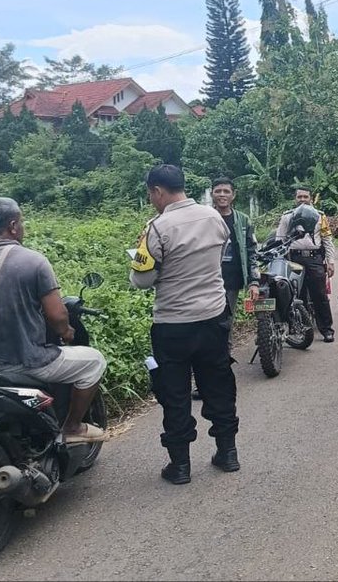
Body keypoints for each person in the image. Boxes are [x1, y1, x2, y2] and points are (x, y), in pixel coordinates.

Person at [0, 197, 107, 443]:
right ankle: (73, 427)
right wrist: (66, 332)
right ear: (13, 226)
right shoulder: (33, 260)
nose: (22, 227)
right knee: (94, 362)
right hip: (27, 361)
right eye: (21, 222)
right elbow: (57, 315)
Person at [130, 165, 241, 485]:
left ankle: (180, 467)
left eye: (151, 194)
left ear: (157, 191)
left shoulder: (157, 227)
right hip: (213, 318)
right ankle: (228, 453)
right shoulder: (214, 218)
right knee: (219, 385)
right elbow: (219, 257)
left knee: (174, 393)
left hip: (173, 325)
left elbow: (143, 279)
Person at [190, 177, 259, 400]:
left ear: (233, 195)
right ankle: (205, 380)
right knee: (201, 331)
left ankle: (217, 378)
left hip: (230, 284)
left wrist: (254, 281)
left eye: (226, 191)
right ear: (212, 194)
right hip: (203, 282)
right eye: (218, 191)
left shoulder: (242, 220)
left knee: (222, 329)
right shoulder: (202, 218)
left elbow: (251, 250)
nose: (222, 195)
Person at [276, 186, 336, 343]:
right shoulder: (287, 217)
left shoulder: (319, 216)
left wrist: (330, 262)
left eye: (305, 197)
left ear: (311, 198)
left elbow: (327, 240)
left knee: (320, 295)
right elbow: (279, 239)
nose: (302, 200)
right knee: (296, 295)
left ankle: (327, 330)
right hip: (293, 259)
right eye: (299, 197)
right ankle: (299, 329)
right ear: (295, 199)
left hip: (314, 258)